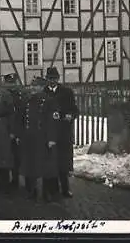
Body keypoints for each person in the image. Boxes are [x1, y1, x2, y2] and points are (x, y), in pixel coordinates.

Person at [19, 77, 60, 202]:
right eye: (32, 86)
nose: (33, 88)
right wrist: (19, 135)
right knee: (30, 165)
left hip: (43, 137)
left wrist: (51, 138)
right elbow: (21, 119)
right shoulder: (27, 101)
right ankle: (31, 190)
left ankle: (48, 192)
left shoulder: (49, 101)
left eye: (36, 86)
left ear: (42, 87)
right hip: (29, 137)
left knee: (46, 166)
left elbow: (52, 121)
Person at [43, 67, 79, 198]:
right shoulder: (43, 92)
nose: (52, 81)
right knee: (50, 161)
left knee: (63, 162)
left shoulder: (67, 92)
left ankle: (65, 188)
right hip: (49, 132)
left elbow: (75, 110)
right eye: (50, 78)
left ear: (58, 79)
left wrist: (71, 115)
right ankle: (52, 189)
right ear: (47, 79)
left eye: (54, 78)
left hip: (63, 132)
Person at [4, 73, 27, 191]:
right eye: (9, 83)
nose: (11, 85)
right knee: (4, 157)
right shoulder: (2, 96)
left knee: (16, 157)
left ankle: (15, 179)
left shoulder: (20, 96)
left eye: (13, 83)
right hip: (3, 131)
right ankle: (4, 181)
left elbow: (21, 115)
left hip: (17, 130)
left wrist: (17, 132)